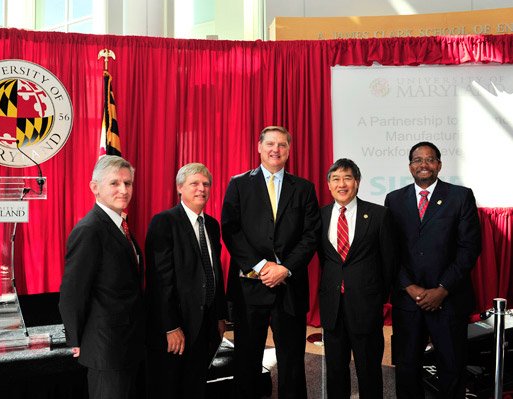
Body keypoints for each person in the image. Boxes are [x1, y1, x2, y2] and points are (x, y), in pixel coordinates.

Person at [221, 126, 321, 399]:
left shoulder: (304, 188)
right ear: (259, 147)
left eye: (282, 145)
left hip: (290, 285)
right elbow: (230, 229)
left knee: (291, 360)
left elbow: (311, 235)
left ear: (289, 150)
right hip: (250, 286)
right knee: (246, 357)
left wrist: (285, 268)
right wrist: (263, 266)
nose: (275, 149)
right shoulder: (239, 184)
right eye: (270, 144)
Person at [385, 142, 481, 399]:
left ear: (439, 165)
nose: (423, 165)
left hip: (449, 300)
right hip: (409, 300)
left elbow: (469, 248)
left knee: (452, 367)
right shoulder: (394, 199)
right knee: (407, 367)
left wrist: (442, 289)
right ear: (410, 167)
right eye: (417, 160)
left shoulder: (461, 196)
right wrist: (409, 286)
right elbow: (390, 251)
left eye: (430, 159)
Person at [59, 155, 145, 399]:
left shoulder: (119, 226)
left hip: (127, 344)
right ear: (95, 188)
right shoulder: (90, 229)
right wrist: (75, 338)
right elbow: (73, 291)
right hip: (106, 348)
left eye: (127, 183)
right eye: (115, 183)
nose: (123, 190)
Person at [145, 163, 227, 399]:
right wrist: (170, 326)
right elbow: (159, 280)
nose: (201, 189)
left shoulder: (212, 225)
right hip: (177, 326)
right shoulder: (164, 222)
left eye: (206, 184)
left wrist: (220, 316)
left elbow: (215, 272)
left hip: (207, 321)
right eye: (195, 183)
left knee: (196, 384)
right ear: (180, 188)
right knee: (171, 387)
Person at [317, 158, 395, 399]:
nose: (342, 184)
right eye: (336, 179)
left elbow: (389, 262)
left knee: (369, 371)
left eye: (347, 178)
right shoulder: (319, 216)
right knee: (335, 372)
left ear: (358, 183)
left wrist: (376, 296)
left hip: (366, 306)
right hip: (333, 307)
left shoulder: (379, 215)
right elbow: (325, 259)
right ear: (329, 184)